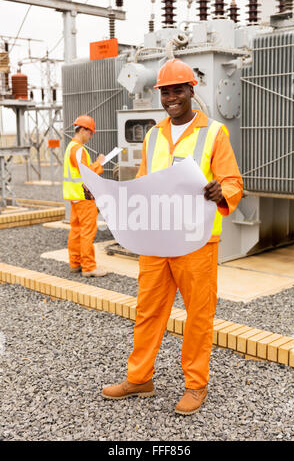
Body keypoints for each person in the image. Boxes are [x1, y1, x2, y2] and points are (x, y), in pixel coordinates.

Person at [101, 59, 243, 415]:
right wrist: (106, 194)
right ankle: (140, 378)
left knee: (197, 314)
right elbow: (146, 184)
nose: (171, 97)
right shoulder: (153, 134)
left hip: (196, 242)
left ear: (191, 91)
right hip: (157, 240)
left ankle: (196, 385)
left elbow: (233, 182)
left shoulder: (214, 133)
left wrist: (219, 192)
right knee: (148, 311)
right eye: (165, 91)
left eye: (177, 90)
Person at [63, 114, 107, 277]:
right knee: (87, 232)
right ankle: (89, 267)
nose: (91, 135)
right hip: (84, 196)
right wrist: (99, 163)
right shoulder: (78, 149)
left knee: (76, 230)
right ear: (82, 130)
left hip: (75, 195)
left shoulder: (70, 147)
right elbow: (86, 172)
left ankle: (75, 263)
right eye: (90, 132)